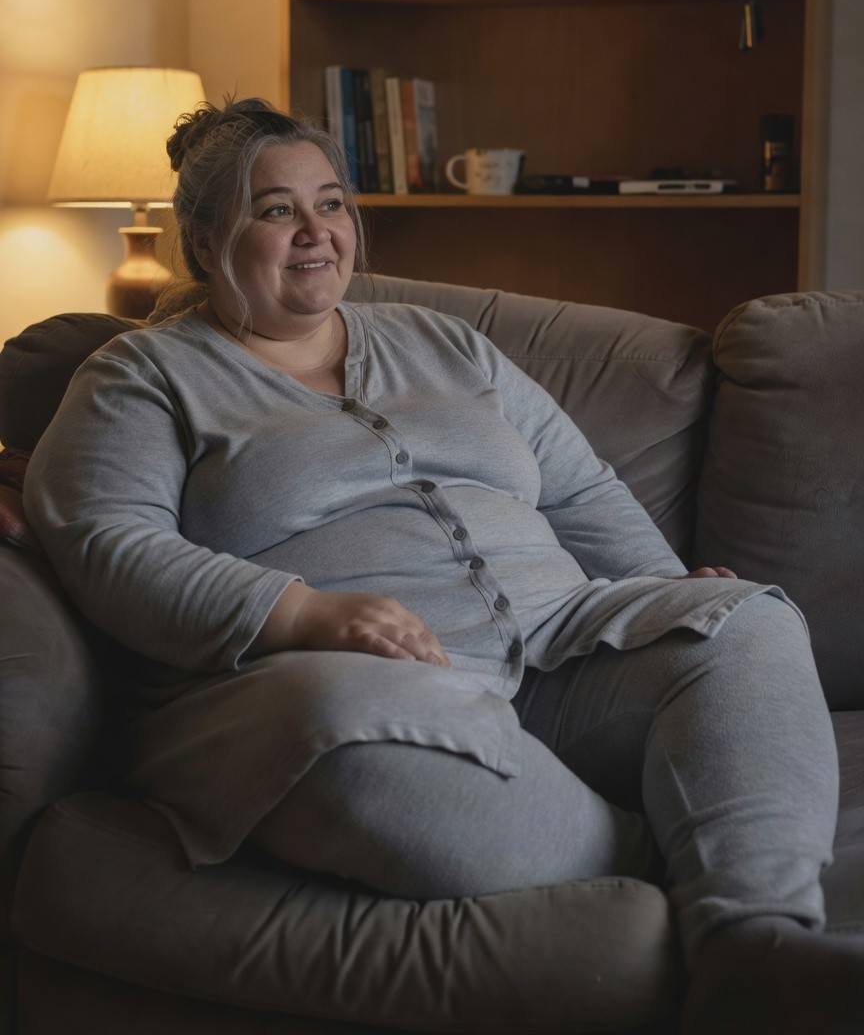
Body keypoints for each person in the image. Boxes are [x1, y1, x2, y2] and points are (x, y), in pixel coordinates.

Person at [24, 98, 864, 1034]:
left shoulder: (445, 342)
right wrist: (305, 613)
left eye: (332, 203)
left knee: (747, 619)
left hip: (564, 644)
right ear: (206, 239)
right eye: (276, 210)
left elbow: (580, 490)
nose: (316, 233)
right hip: (353, 677)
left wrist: (667, 588)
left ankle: (756, 945)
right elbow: (106, 542)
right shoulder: (142, 376)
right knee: (342, 733)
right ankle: (674, 854)